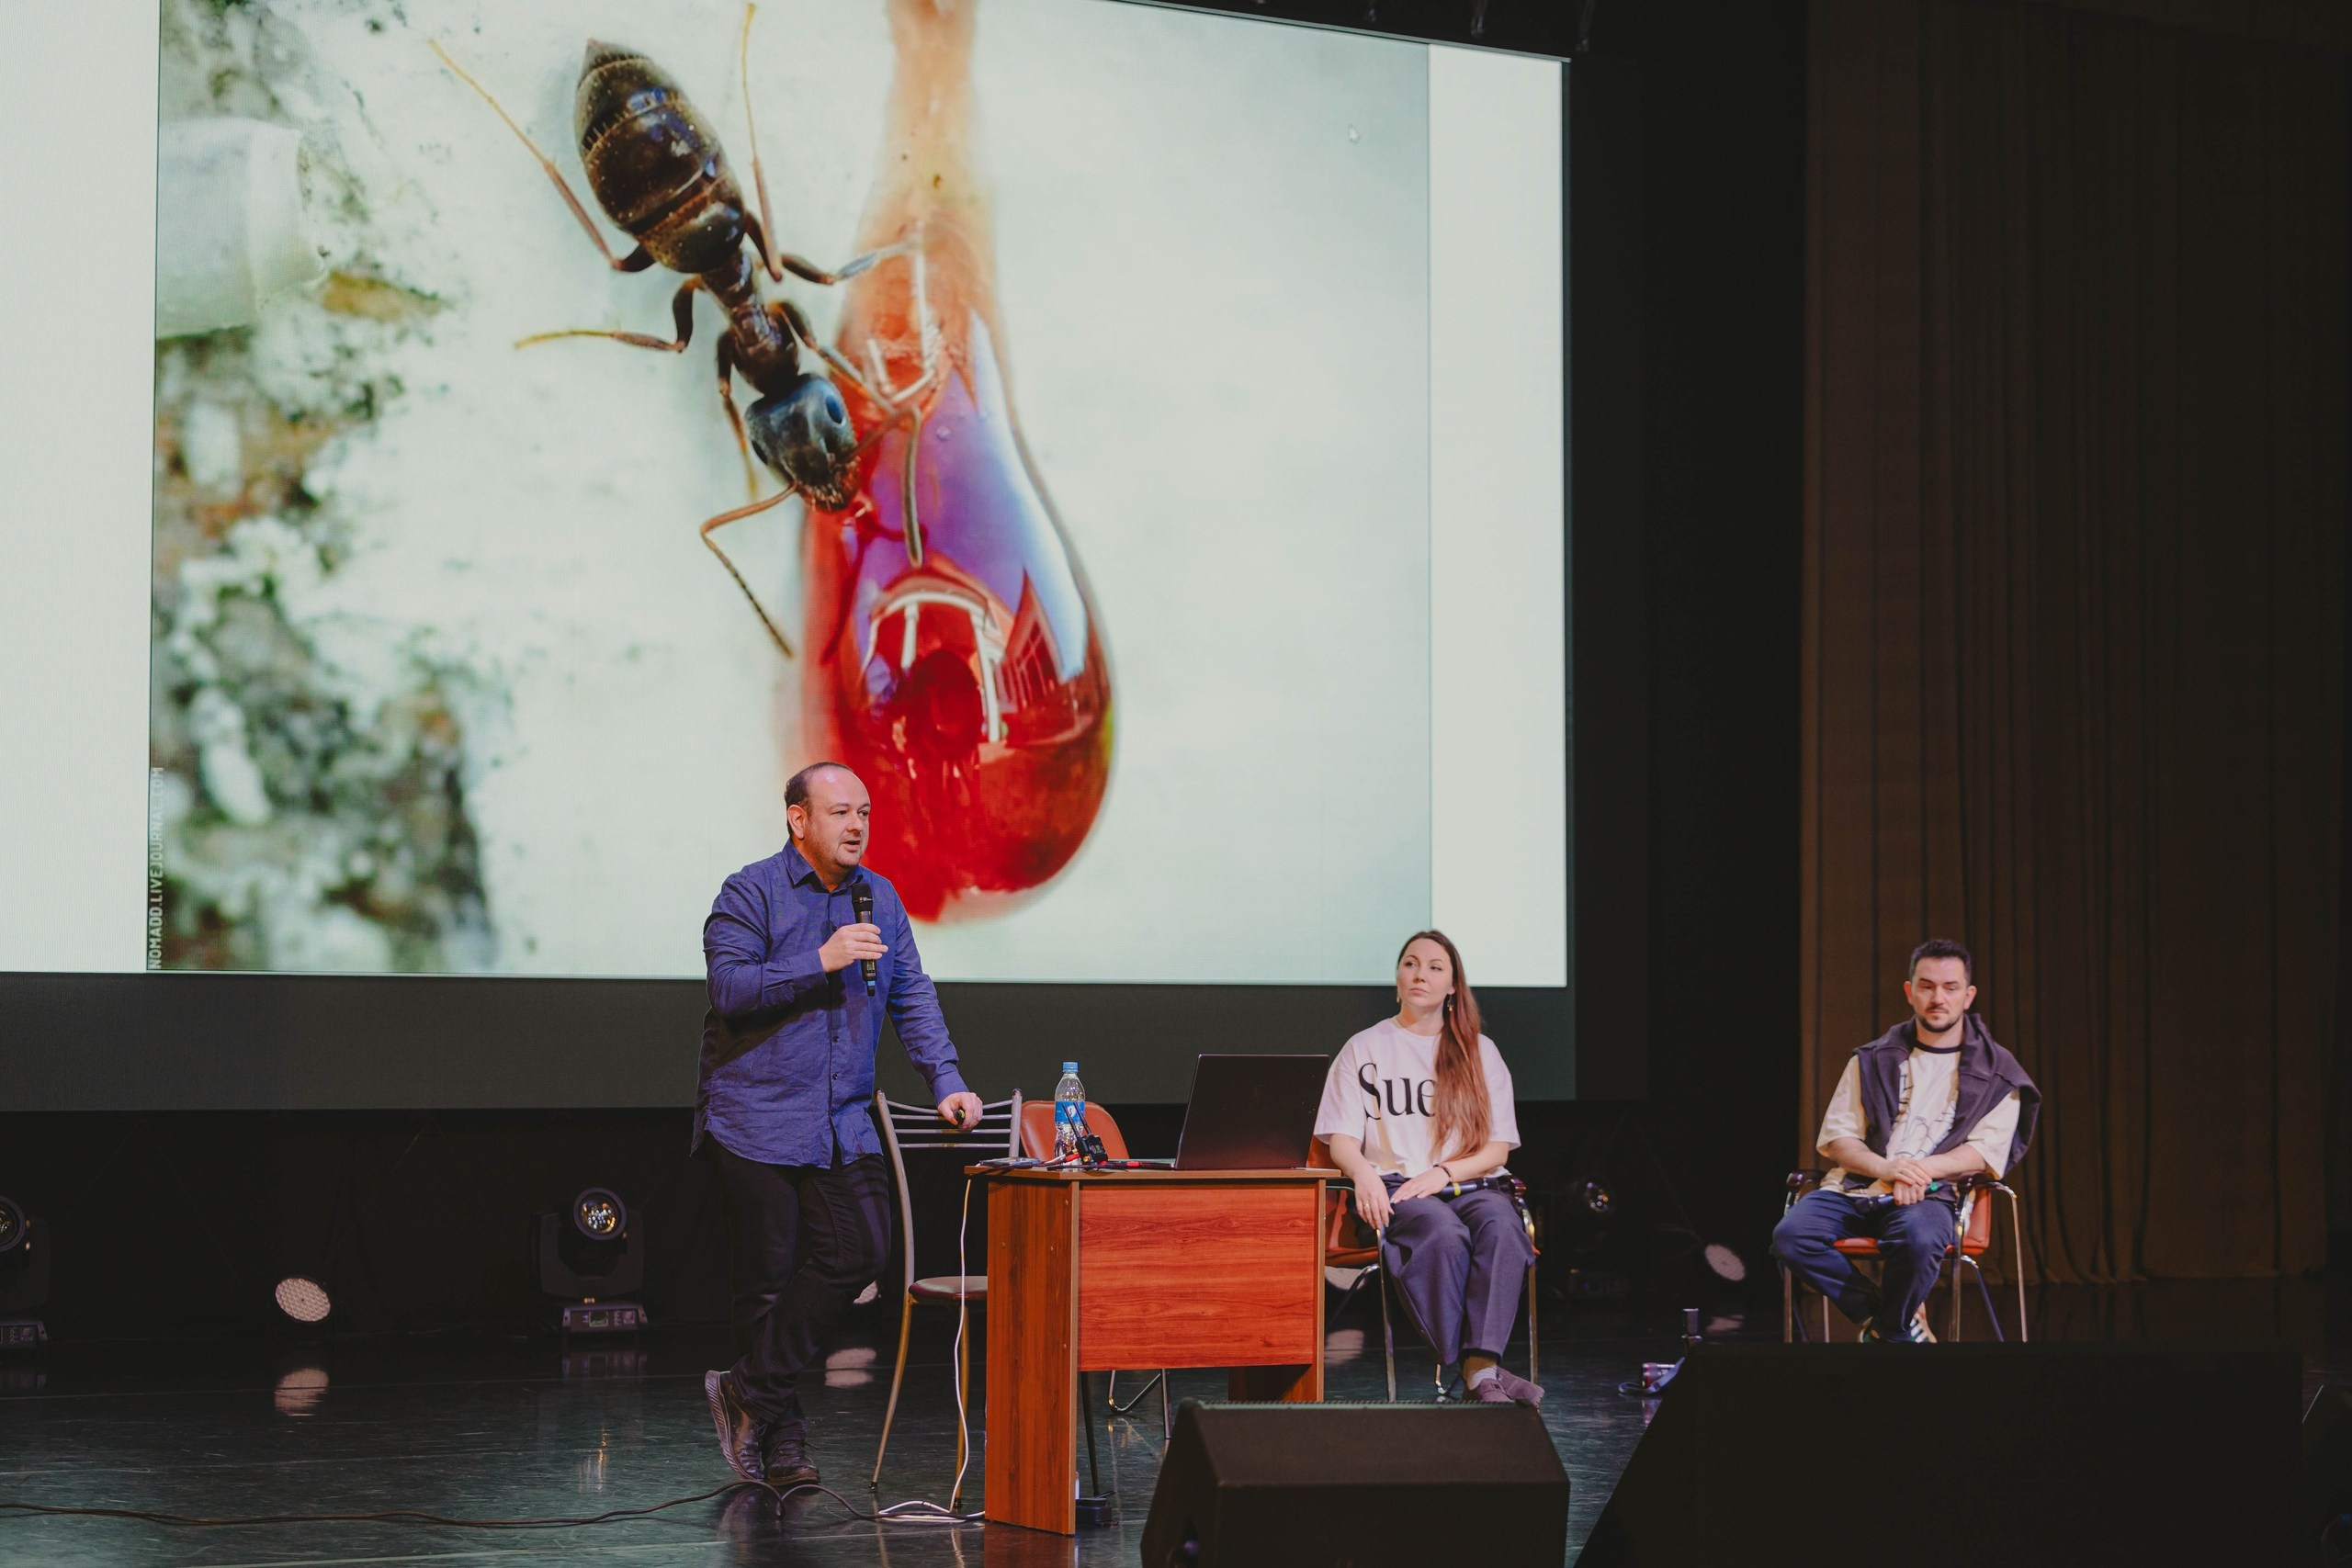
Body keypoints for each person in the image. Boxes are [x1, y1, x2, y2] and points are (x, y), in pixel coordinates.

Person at [695, 761, 983, 1488]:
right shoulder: (749, 892)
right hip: (756, 1114)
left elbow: (911, 994)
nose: (856, 826)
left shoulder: (878, 898)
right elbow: (729, 989)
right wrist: (818, 960)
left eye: (864, 813)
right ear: (799, 819)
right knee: (764, 1283)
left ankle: (745, 1392)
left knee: (863, 1250)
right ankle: (782, 1438)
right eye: (839, 812)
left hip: (840, 1118)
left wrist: (946, 1081)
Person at [1771, 938, 2041, 1342]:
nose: (1938, 998)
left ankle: (1886, 1330)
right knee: (1790, 1237)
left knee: (1918, 1239)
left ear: (1968, 996)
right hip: (1858, 1186)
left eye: (1950, 988)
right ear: (1909, 991)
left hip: (1932, 1194)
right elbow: (1840, 1139)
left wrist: (1918, 1173)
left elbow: (1984, 1152)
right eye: (1927, 986)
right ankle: (1889, 1323)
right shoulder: (1871, 1058)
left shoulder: (2000, 1073)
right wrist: (1887, 1169)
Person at [1315, 931, 1541, 1404]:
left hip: (1469, 1184)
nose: (1421, 974)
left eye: (1435, 967)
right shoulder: (1365, 1048)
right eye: (1411, 964)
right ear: (1397, 978)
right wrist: (1364, 1176)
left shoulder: (1481, 1051)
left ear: (1454, 986)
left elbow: (1498, 1150)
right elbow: (1341, 1140)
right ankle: (1483, 1372)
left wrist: (1443, 1173)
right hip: (1396, 1187)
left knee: (1503, 1229)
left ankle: (1480, 1370)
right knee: (1442, 1236)